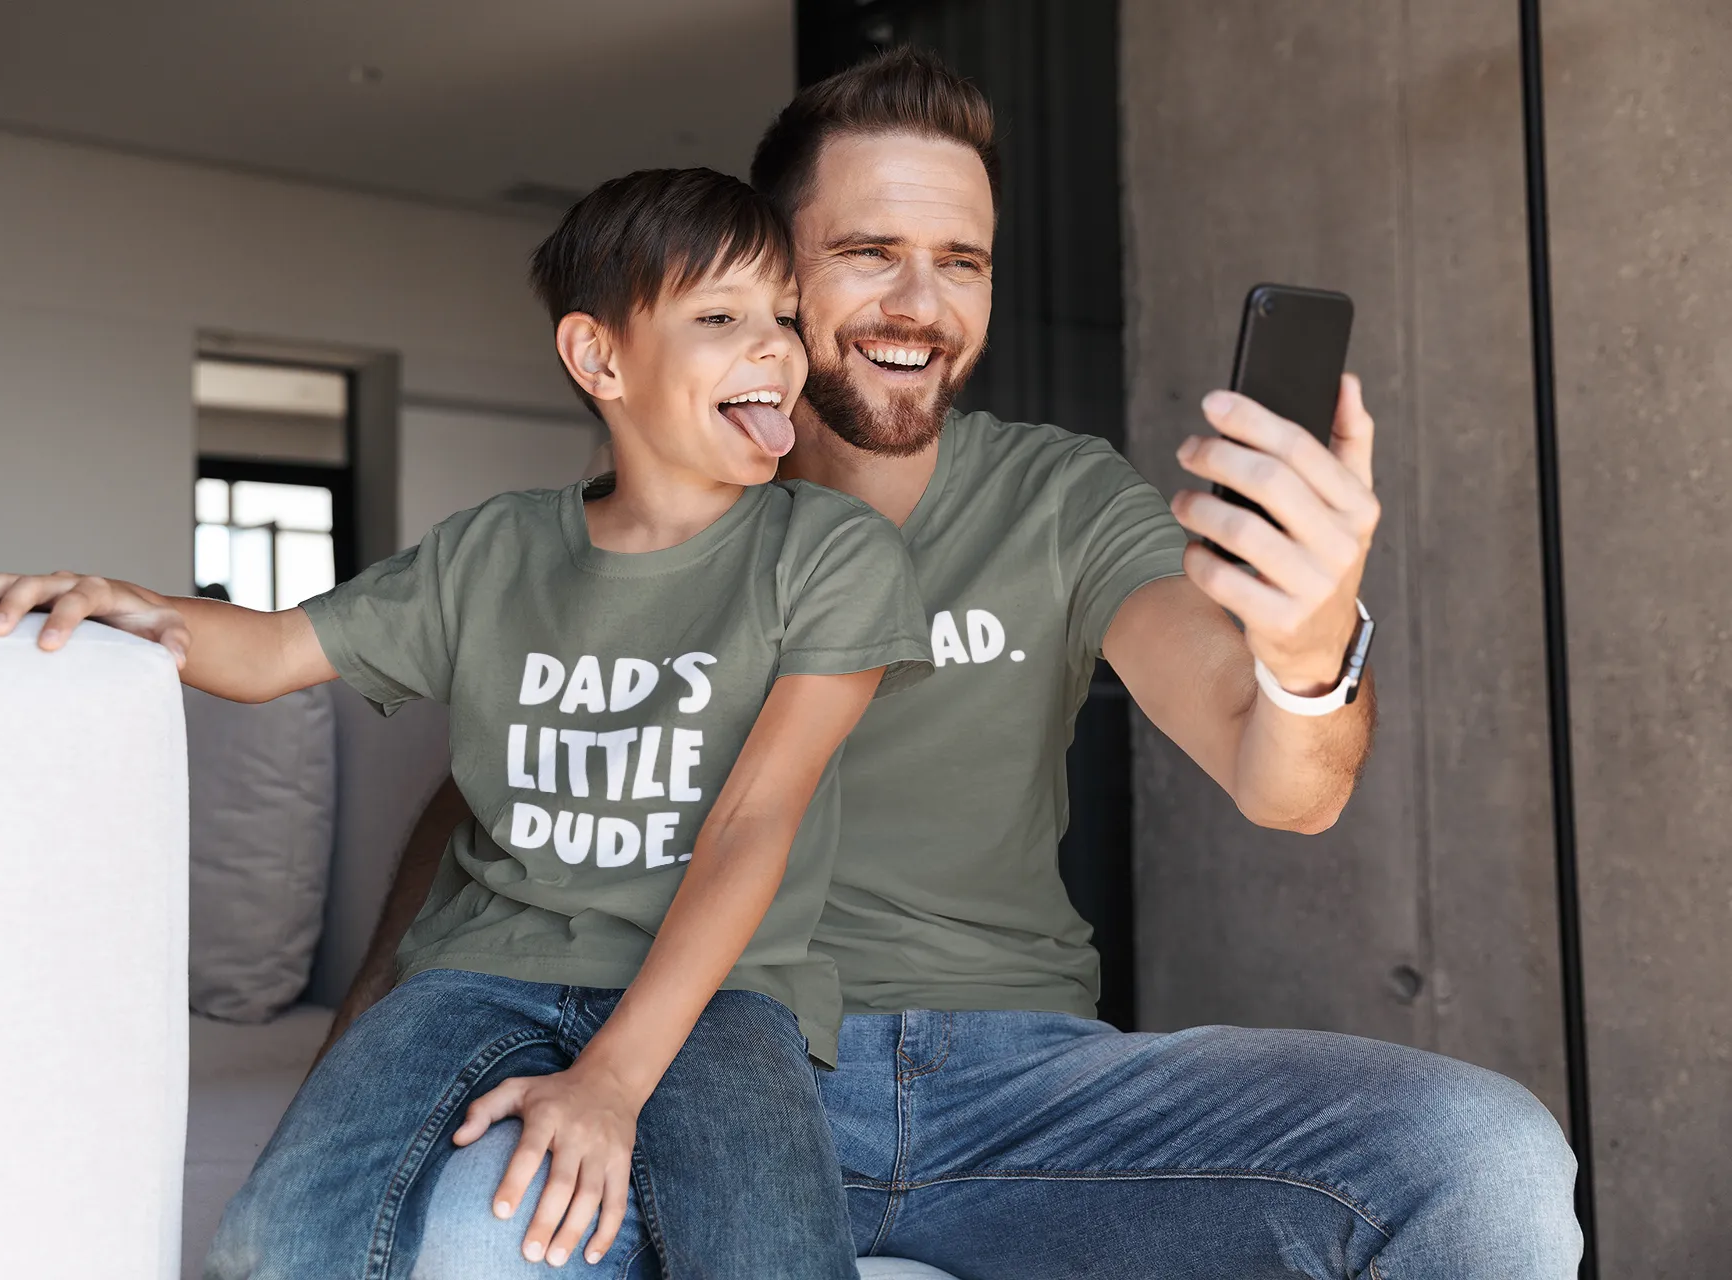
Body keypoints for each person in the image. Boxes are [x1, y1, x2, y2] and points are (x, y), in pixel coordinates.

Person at [334, 49, 1583, 1279]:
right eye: (870, 252)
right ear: (770, 271)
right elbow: (492, 796)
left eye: (962, 262)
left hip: (1025, 1091)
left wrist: (1309, 646)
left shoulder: (1060, 495)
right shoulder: (640, 530)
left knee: (1482, 1152)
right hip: (712, 1062)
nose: (921, 305)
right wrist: (361, 1055)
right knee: (476, 1242)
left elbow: (1286, 784)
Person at [0, 167, 934, 1279]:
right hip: (476, 965)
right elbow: (269, 652)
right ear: (599, 358)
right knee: (269, 1241)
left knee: (768, 1254)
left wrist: (610, 1080)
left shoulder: (832, 553)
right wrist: (135, 602)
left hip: (726, 991)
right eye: (721, 317)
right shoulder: (492, 550)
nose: (777, 348)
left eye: (784, 317)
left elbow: (754, 821)